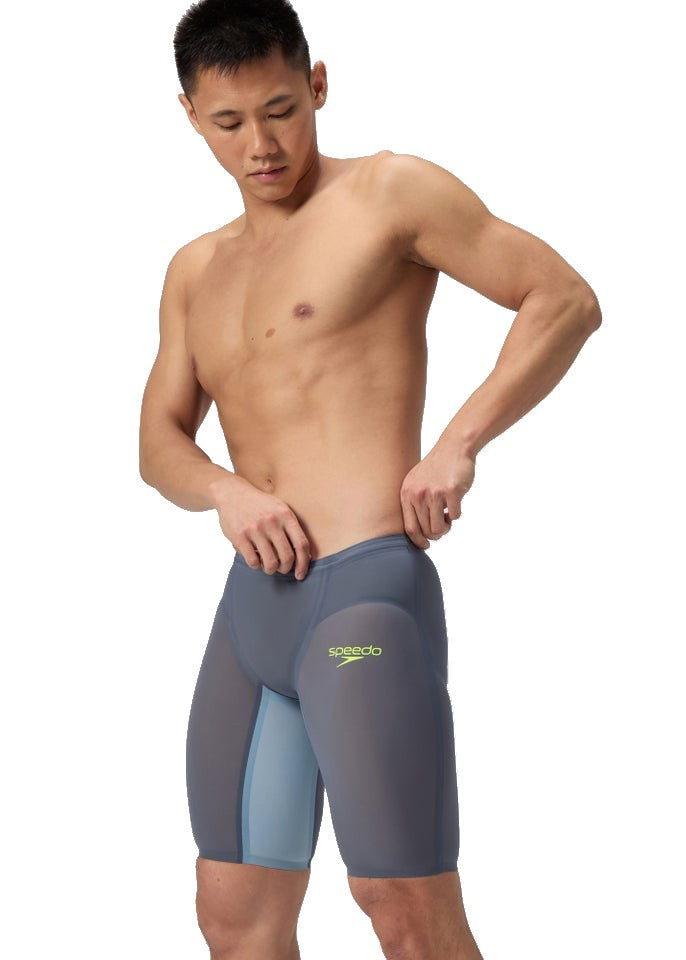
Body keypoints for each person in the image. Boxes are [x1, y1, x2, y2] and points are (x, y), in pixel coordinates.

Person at [138, 1, 602, 956]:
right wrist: (224, 489)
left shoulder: (389, 194)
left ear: (317, 85)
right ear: (189, 116)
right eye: (229, 122)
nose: (261, 145)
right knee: (232, 914)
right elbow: (158, 441)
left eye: (281, 109)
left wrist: (457, 443)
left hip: (363, 596)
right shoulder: (194, 270)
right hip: (251, 615)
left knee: (403, 907)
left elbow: (562, 299)